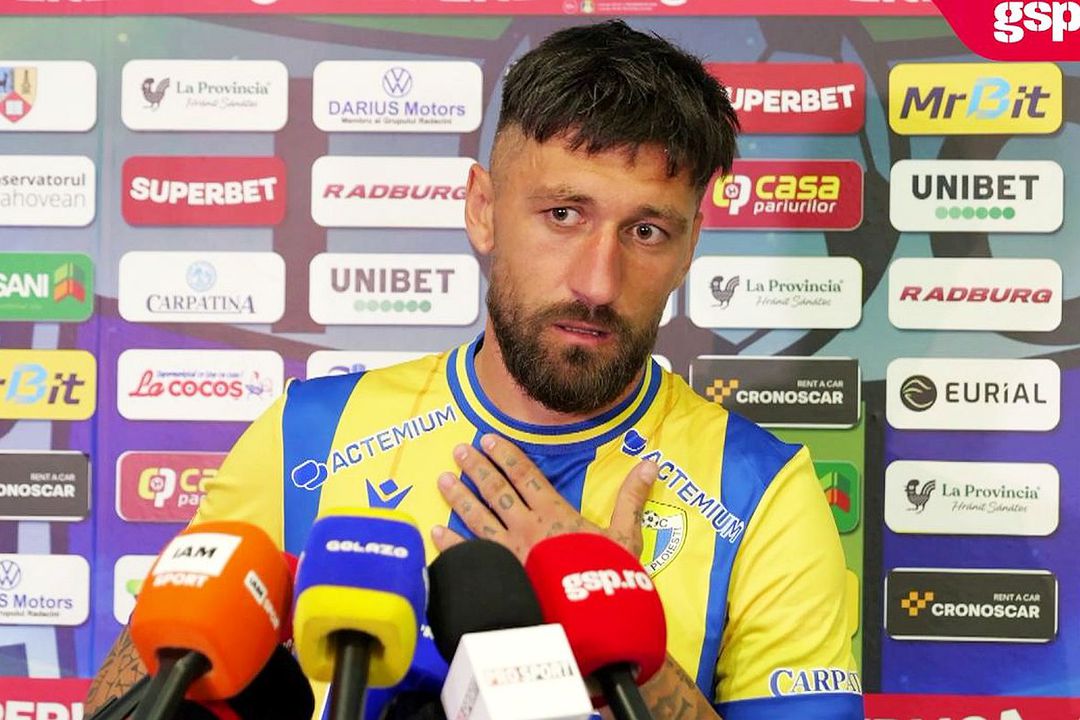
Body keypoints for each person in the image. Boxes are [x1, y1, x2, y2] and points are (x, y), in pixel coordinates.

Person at [88, 20, 861, 719]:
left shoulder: (761, 494)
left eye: (647, 231)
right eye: (564, 215)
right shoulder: (305, 439)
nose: (597, 282)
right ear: (483, 210)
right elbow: (124, 695)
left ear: (690, 247)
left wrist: (617, 644)